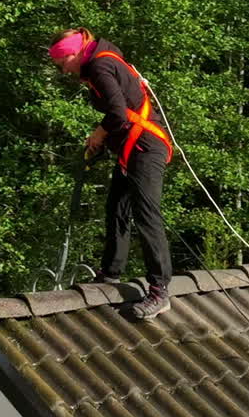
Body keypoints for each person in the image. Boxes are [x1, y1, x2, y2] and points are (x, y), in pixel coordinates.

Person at [48, 27, 173, 320]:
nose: (62, 70)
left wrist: (100, 132)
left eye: (62, 63)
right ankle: (110, 274)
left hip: (145, 148)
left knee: (146, 215)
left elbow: (117, 114)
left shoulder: (101, 66)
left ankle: (160, 291)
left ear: (75, 53)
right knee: (117, 208)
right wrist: (104, 139)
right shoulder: (101, 63)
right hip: (132, 147)